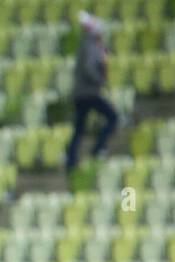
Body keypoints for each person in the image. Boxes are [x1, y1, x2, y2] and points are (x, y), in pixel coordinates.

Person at [65, 11, 118, 172]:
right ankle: (97, 149)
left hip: (83, 94)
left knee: (79, 128)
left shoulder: (90, 45)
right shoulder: (90, 46)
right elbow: (89, 69)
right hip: (88, 94)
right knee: (112, 117)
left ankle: (72, 159)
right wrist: (100, 80)